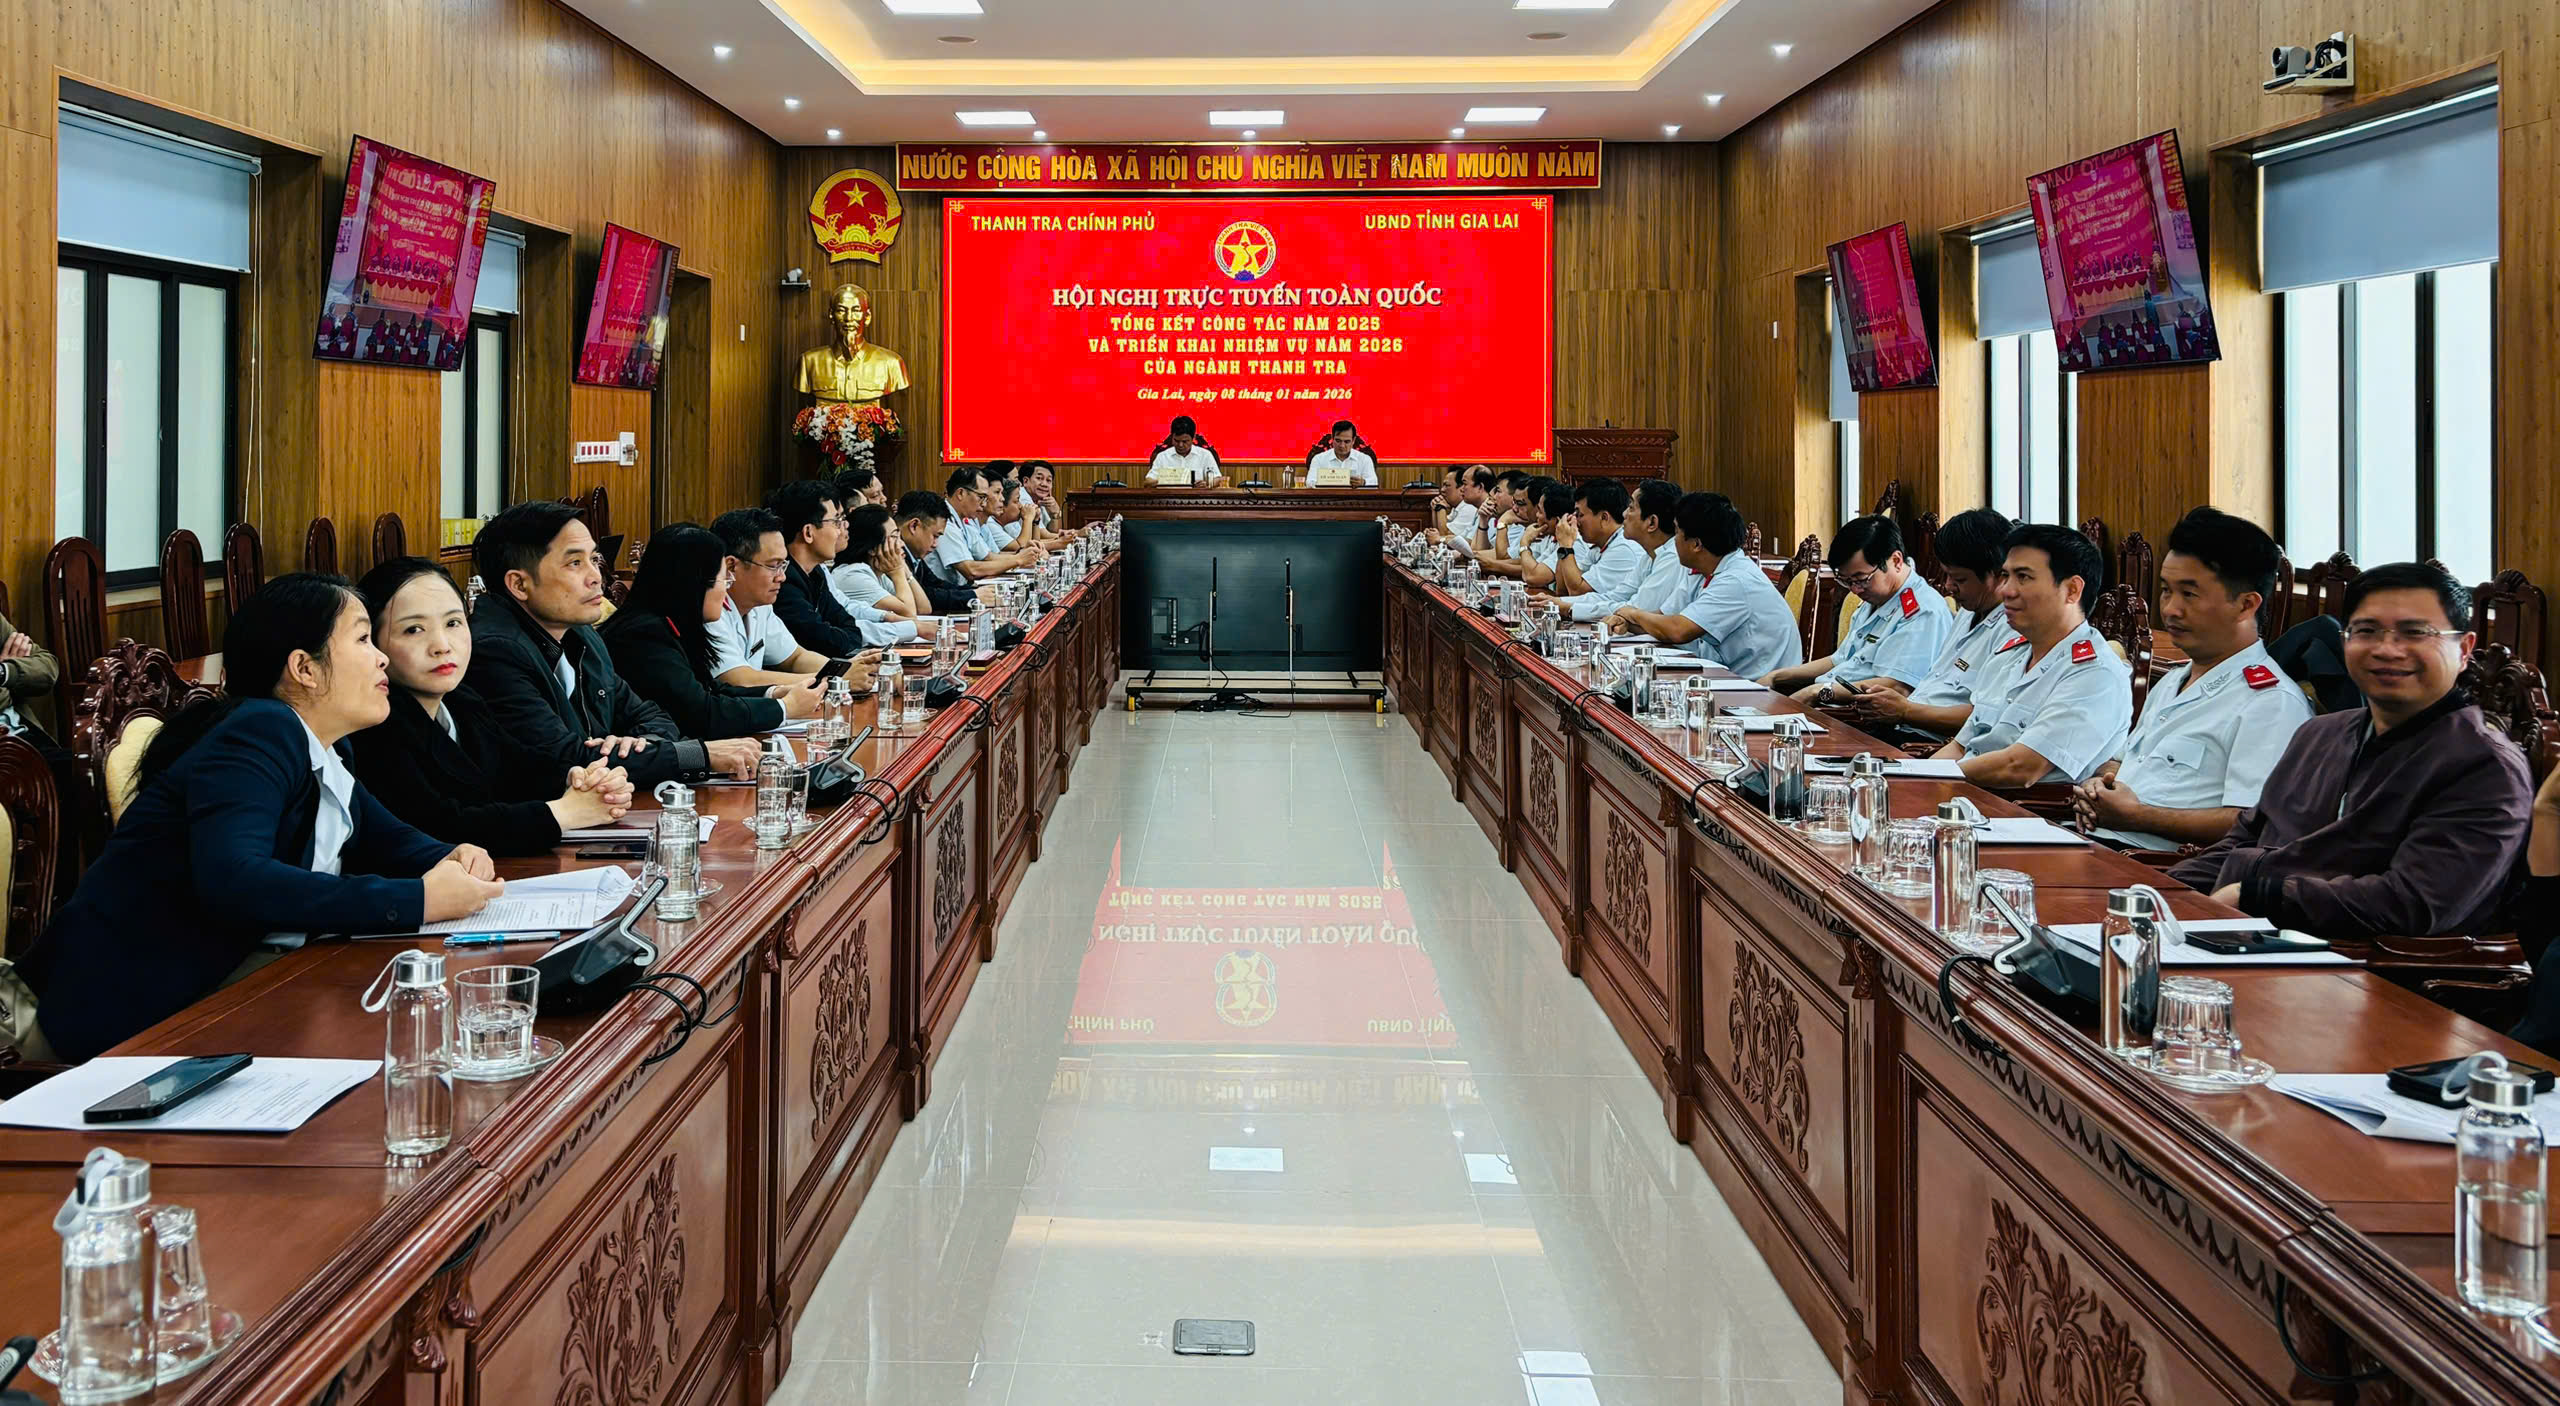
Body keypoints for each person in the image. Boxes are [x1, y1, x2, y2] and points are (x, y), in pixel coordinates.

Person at [17, 575, 506, 1062]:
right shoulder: (259, 732)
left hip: (244, 989)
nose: (380, 657)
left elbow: (388, 837)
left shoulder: (325, 746)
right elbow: (235, 878)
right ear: (304, 669)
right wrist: (418, 899)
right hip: (135, 1019)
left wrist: (453, 856)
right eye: (362, 639)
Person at [2171, 563, 2532, 942]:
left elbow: (2413, 904)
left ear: (2464, 649)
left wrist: (2257, 896)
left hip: (2362, 964)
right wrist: (2163, 893)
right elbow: (2242, 841)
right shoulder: (2319, 734)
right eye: (2366, 631)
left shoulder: (2485, 767)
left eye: (2414, 633)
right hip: (2243, 934)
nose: (2387, 649)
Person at [347, 557, 635, 856]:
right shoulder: (372, 727)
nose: (442, 645)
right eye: (414, 630)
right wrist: (566, 813)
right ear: (372, 642)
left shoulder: (462, 700)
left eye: (453, 623)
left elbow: (520, 766)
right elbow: (438, 826)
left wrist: (582, 779)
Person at [470, 500, 761, 786]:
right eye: (574, 563)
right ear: (519, 584)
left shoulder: (582, 636)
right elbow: (565, 760)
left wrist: (638, 745)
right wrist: (699, 755)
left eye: (594, 559)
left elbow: (652, 715)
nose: (596, 577)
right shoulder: (495, 652)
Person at [2072, 509, 2313, 850]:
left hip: (2155, 867)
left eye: (2189, 594)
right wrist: (2099, 785)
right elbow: (2121, 762)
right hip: (2095, 841)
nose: (2170, 609)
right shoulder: (2173, 681)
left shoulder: (2270, 703)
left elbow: (2254, 824)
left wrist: (2137, 816)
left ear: (2246, 605)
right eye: (2166, 591)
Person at [1935, 524, 2131, 787]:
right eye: (2005, 576)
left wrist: (1935, 776)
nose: (2006, 590)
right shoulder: (2008, 655)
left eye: (2023, 577)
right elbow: (1960, 747)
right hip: (1961, 791)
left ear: (2072, 590)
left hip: (2015, 805)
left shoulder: (2095, 674)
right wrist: (1913, 778)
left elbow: (2020, 767)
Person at [601, 524, 828, 739]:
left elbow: (710, 690)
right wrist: (785, 707)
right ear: (694, 583)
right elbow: (701, 714)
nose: (727, 589)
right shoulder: (643, 636)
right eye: (724, 579)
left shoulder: (675, 624)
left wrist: (774, 693)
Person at [1831, 508, 2012, 740]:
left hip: (1929, 741)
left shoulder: (2013, 627)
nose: (1948, 586)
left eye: (1959, 579)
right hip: (1900, 728)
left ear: (1998, 575)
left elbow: (1986, 720)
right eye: (1946, 575)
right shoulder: (1969, 611)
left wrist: (1905, 711)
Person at [1607, 492, 1801, 678]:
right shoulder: (1701, 569)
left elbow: (1677, 630)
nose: (1673, 540)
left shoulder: (1736, 580)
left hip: (1761, 687)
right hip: (1724, 675)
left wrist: (1632, 613)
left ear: (1696, 544)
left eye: (1677, 532)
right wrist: (1628, 623)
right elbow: (1663, 620)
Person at [1762, 516, 1953, 701]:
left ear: (1895, 561)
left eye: (1861, 579)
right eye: (1846, 581)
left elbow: (1897, 687)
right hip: (1833, 699)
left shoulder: (1922, 611)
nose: (1854, 590)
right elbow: (1839, 660)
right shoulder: (1878, 597)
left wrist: (1816, 692)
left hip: (1863, 714)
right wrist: (1777, 676)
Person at [709, 508, 886, 686]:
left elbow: (795, 657)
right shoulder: (710, 610)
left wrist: (844, 669)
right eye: (773, 566)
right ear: (731, 567)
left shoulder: (761, 606)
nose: (782, 577)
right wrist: (835, 678)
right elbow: (738, 678)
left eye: (783, 565)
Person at [768, 479, 871, 658]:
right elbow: (822, 641)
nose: (840, 530)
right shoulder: (783, 580)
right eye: (836, 522)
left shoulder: (815, 574)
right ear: (808, 532)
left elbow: (850, 627)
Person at [826, 504, 941, 643]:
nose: (901, 544)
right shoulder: (853, 574)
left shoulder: (877, 571)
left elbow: (924, 608)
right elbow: (910, 615)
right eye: (894, 537)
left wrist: (906, 573)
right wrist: (898, 572)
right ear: (872, 548)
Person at [1547, 478, 1647, 618]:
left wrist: (1566, 546)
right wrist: (1555, 602)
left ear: (1604, 518)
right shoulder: (1600, 545)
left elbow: (1577, 590)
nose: (1575, 521)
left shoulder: (1623, 548)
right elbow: (1563, 589)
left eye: (1580, 515)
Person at [937, 466, 1036, 581]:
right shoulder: (945, 522)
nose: (983, 504)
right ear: (961, 493)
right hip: (950, 590)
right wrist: (1019, 559)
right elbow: (971, 570)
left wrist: (1026, 555)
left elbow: (990, 556)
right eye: (981, 497)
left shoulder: (964, 520)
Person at [899, 492, 983, 614]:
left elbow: (935, 584)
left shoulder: (913, 553)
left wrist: (975, 591)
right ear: (914, 526)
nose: (935, 544)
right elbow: (927, 596)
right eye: (935, 536)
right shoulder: (892, 553)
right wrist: (972, 596)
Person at [1148, 416, 1224, 487]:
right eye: (1176, 441)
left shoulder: (1205, 455)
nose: (1180, 445)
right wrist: (1169, 481)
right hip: (1169, 496)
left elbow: (1218, 479)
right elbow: (1148, 481)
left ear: (1193, 438)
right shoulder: (1162, 456)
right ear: (1172, 437)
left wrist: (1207, 483)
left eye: (1185, 441)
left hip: (1197, 496)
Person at [1306, 420, 1379, 486]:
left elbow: (1374, 482)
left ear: (1353, 440)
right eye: (1338, 441)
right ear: (1332, 438)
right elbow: (1309, 483)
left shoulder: (1365, 459)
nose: (1342, 445)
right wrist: (1326, 482)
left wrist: (1363, 482)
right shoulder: (1319, 459)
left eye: (1347, 441)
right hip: (1326, 496)